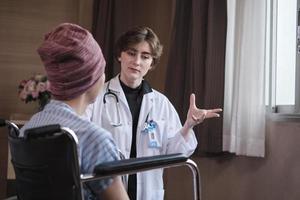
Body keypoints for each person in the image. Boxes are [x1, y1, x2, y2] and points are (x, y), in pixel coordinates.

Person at [85, 26, 222, 200]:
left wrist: (188, 126)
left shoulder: (161, 103)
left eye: (145, 56)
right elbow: (84, 144)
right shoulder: (97, 97)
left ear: (152, 63)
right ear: (120, 55)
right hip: (109, 191)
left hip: (148, 192)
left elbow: (175, 154)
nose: (137, 61)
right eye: (131, 53)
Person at [20, 23, 129, 200]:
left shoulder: (29, 128)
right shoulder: (94, 139)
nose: (104, 77)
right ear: (90, 79)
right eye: (101, 71)